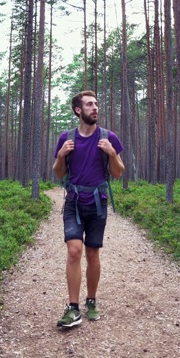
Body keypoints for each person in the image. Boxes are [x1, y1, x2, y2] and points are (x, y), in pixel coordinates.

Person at [52, 90, 125, 327]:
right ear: (78, 110)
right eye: (89, 105)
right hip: (73, 202)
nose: (95, 108)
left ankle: (91, 300)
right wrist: (61, 155)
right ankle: (73, 308)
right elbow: (59, 172)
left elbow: (118, 172)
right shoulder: (67, 137)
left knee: (93, 254)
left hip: (98, 203)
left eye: (96, 104)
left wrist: (112, 153)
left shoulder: (108, 137)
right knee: (74, 251)